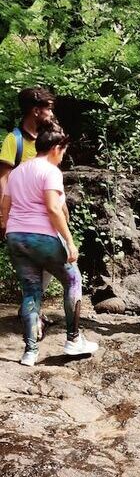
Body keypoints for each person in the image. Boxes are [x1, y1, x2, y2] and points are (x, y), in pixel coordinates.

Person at [1, 125, 98, 366]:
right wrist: (70, 241)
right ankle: (74, 339)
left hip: (16, 237)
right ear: (56, 148)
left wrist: (8, 229)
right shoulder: (50, 171)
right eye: (63, 151)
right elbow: (54, 209)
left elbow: (5, 207)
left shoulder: (17, 171)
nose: (63, 156)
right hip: (42, 237)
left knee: (31, 292)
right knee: (73, 280)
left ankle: (30, 352)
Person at [0, 87, 60, 340]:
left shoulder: (49, 138)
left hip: (47, 216)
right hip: (22, 219)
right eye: (48, 107)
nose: (51, 112)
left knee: (46, 268)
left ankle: (32, 310)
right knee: (32, 269)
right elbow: (3, 180)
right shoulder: (14, 140)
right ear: (36, 110)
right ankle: (32, 319)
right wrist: (4, 218)